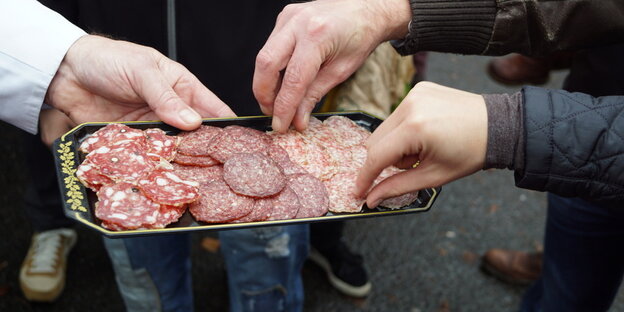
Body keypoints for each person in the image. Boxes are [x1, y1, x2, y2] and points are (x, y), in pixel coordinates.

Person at [253, 0, 624, 311]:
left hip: (578, 134)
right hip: (590, 103)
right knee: (570, 273)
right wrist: (387, 11)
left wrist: (509, 127)